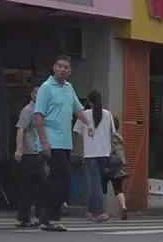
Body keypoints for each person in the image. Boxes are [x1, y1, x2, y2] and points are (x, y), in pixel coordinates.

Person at [33, 54, 84, 232]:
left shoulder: (69, 88)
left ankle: (45, 216)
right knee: (63, 177)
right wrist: (44, 142)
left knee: (58, 180)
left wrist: (91, 125)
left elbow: (78, 110)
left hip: (65, 142)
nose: (62, 69)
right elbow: (38, 115)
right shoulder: (46, 88)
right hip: (51, 141)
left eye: (66, 67)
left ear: (70, 71)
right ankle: (49, 217)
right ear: (54, 68)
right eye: (60, 66)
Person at [80, 90, 119, 223]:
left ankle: (95, 211)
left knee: (95, 182)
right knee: (97, 182)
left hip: (90, 153)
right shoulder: (107, 114)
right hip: (104, 153)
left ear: (89, 102)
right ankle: (96, 211)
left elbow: (78, 132)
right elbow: (113, 133)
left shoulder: (84, 114)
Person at [13, 85, 45, 230]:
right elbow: (21, 129)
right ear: (32, 94)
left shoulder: (42, 110)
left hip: (40, 152)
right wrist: (19, 149)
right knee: (30, 186)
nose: (39, 96)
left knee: (38, 186)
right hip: (29, 153)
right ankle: (26, 216)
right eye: (36, 93)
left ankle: (30, 216)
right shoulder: (28, 110)